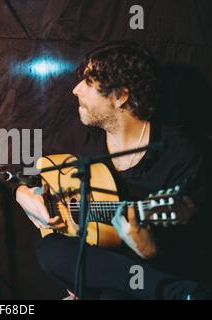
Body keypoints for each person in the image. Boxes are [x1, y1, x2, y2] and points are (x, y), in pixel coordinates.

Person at [16, 42, 212, 300]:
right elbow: (31, 175)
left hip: (157, 268)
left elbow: (197, 247)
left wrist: (150, 249)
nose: (75, 90)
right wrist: (24, 195)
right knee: (50, 250)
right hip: (105, 260)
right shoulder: (85, 139)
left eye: (88, 82)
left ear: (120, 96)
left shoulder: (183, 154)